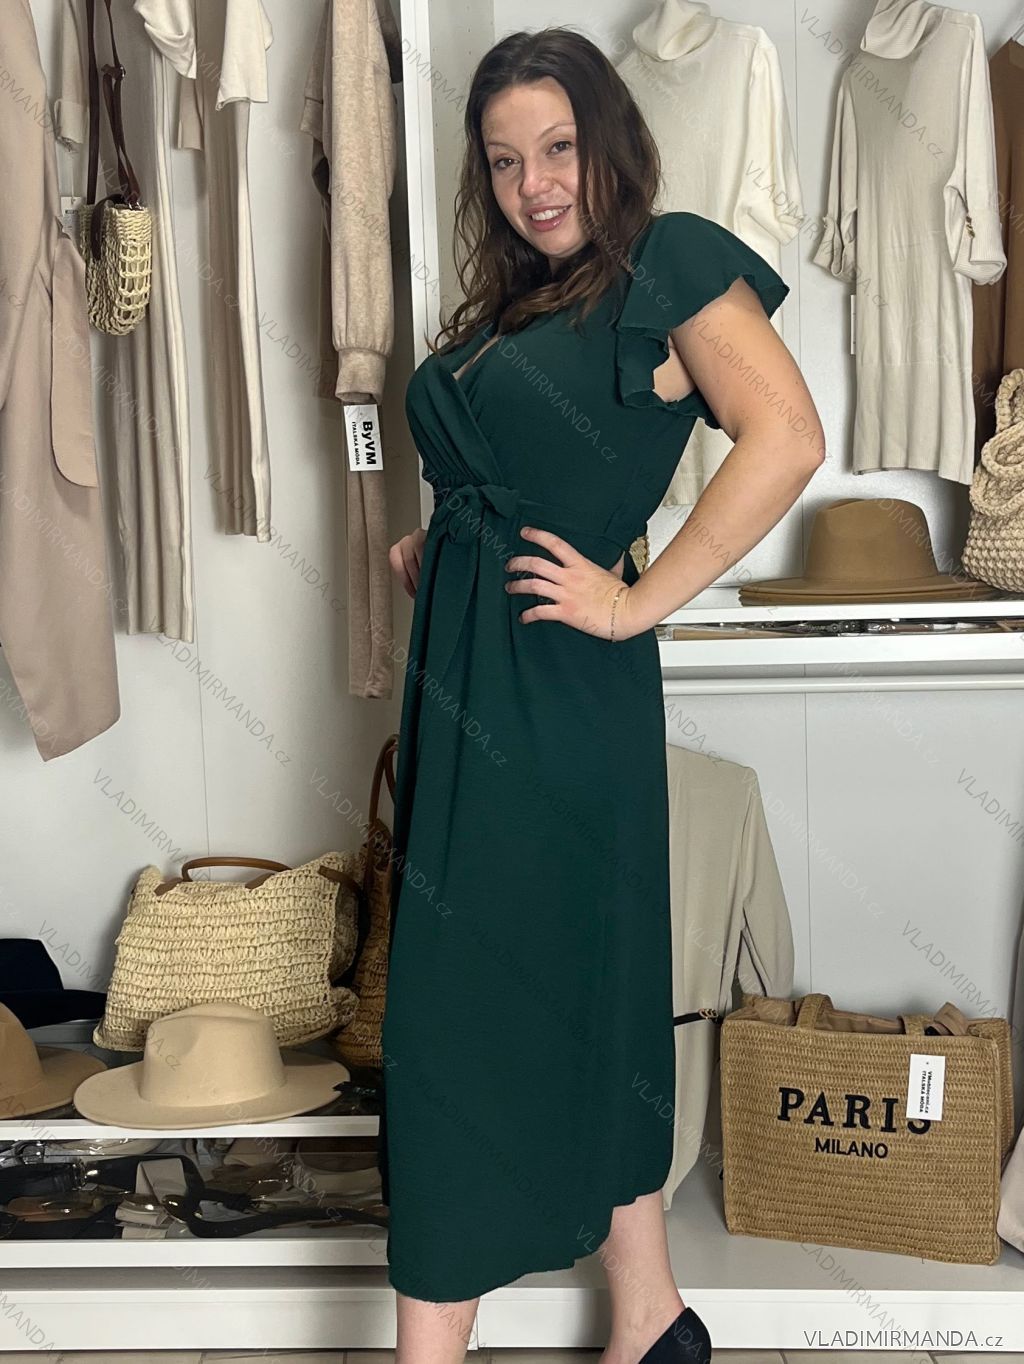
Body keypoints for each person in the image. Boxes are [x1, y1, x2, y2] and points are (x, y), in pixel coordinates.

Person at [382, 25, 824, 1364]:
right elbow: (520, 476)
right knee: (580, 988)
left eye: (560, 147)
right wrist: (444, 541)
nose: (535, 183)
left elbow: (789, 436)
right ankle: (651, 1317)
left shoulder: (667, 262)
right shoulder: (515, 309)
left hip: (560, 700)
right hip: (473, 680)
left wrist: (636, 602)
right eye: (505, 160)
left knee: (460, 1024)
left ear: (610, 142)